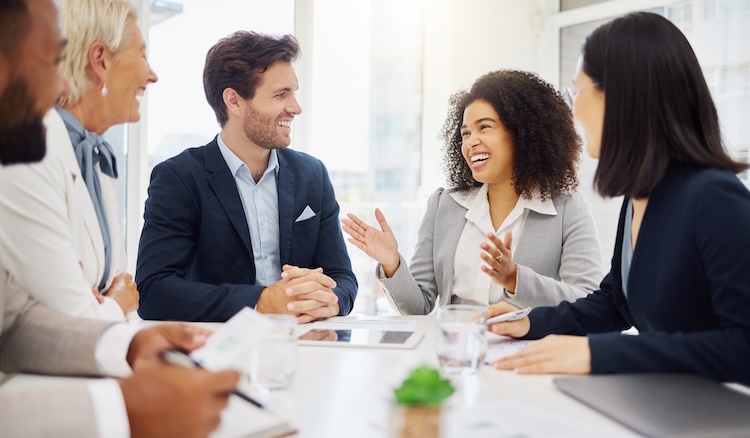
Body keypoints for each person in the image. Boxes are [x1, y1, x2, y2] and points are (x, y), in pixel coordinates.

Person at [0, 0, 239, 436]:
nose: (60, 83)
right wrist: (121, 410)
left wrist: (129, 343)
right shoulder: (34, 147)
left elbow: (14, 323)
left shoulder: (72, 150)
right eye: (53, 60)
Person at [487, 12, 750, 385]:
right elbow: (615, 304)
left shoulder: (713, 199)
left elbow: (744, 346)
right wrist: (528, 322)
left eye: (576, 91)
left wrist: (601, 353)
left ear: (622, 96)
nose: (573, 107)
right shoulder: (641, 197)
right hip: (663, 402)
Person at [136, 31, 358, 322]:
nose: (295, 107)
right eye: (281, 94)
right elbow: (154, 291)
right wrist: (261, 301)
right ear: (234, 101)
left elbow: (342, 276)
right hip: (217, 351)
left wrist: (331, 299)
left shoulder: (312, 174)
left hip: (304, 344)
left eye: (294, 92)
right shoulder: (179, 177)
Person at [342, 70, 603, 315]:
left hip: (526, 352)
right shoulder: (445, 205)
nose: (471, 141)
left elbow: (587, 301)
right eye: (465, 133)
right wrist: (392, 264)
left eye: (484, 127)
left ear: (522, 133)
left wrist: (515, 279)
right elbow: (418, 307)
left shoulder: (567, 208)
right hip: (456, 350)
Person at [0, 0, 156, 320]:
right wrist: (116, 303)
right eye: (142, 54)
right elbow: (73, 316)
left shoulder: (95, 156)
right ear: (100, 60)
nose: (152, 74)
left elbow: (115, 282)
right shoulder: (28, 149)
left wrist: (109, 301)